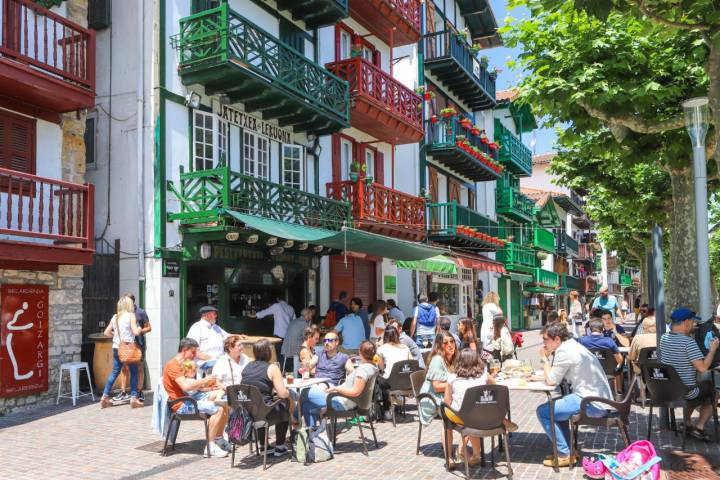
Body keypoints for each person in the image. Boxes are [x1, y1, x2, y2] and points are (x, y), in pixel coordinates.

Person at [531, 322, 613, 467]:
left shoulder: (564, 351)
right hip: (597, 398)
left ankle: (564, 454)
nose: (543, 343)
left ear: (556, 339)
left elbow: (551, 381)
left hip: (591, 402)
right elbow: (557, 375)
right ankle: (569, 451)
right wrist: (543, 375)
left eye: (545, 339)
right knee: (557, 411)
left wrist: (544, 359)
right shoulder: (571, 346)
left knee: (544, 412)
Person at [443, 348, 514, 467]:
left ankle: (453, 457)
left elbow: (447, 402)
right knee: (479, 408)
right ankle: (502, 420)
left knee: (454, 417)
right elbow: (496, 387)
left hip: (463, 418)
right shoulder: (483, 375)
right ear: (477, 361)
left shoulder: (452, 377)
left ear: (459, 361)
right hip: (484, 417)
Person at [659, 307, 720, 441]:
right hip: (685, 391)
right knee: (713, 391)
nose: (694, 325)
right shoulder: (688, 342)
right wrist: (712, 350)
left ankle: (686, 423)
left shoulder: (663, 338)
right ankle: (699, 427)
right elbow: (703, 368)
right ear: (686, 322)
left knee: (695, 386)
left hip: (666, 390)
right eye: (693, 322)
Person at [163, 338, 230, 457]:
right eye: (193, 352)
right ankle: (210, 447)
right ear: (184, 350)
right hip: (181, 405)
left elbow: (189, 387)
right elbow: (186, 386)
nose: (195, 356)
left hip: (188, 400)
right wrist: (204, 380)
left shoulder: (180, 364)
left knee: (224, 405)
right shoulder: (173, 366)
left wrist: (207, 385)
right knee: (218, 409)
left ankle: (218, 439)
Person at [300, 341, 379, 426]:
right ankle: (314, 434)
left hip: (341, 403)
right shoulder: (372, 367)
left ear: (360, 352)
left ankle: (295, 419)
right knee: (307, 406)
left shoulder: (363, 370)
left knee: (305, 392)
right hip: (341, 399)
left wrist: (336, 389)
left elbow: (356, 392)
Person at [241, 339, 292, 456]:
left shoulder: (247, 367)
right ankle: (279, 446)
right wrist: (288, 393)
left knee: (259, 405)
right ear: (269, 352)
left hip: (249, 412)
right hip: (266, 412)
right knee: (284, 405)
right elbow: (282, 394)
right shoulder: (272, 368)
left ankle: (264, 446)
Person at [418, 332, 458, 458]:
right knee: (452, 414)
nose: (450, 345)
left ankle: (465, 451)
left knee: (467, 407)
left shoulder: (452, 359)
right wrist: (455, 384)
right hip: (431, 398)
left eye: (452, 341)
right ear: (440, 346)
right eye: (446, 343)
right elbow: (436, 386)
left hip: (445, 395)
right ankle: (449, 457)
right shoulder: (437, 360)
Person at [100, 296, 144, 409]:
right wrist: (139, 329)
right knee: (134, 371)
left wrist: (115, 336)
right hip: (128, 348)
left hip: (116, 347)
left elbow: (106, 332)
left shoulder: (115, 316)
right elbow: (135, 332)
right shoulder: (131, 316)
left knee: (115, 372)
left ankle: (104, 398)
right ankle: (134, 399)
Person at [114, 293, 152, 402]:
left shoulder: (140, 312)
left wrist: (138, 332)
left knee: (139, 367)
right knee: (124, 368)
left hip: (138, 344)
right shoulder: (122, 313)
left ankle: (139, 392)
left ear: (132, 301)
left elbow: (149, 328)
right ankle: (123, 391)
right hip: (126, 345)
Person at [578, 318, 624, 392]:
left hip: (588, 371)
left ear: (590, 329)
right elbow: (619, 360)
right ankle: (618, 392)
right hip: (608, 372)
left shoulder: (582, 340)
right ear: (603, 329)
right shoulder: (609, 341)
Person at [376, 327, 412, 420]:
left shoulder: (382, 349)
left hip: (391, 382)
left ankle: (386, 409)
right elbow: (411, 363)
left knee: (380, 379)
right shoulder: (405, 348)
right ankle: (397, 398)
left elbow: (380, 367)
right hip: (405, 382)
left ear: (385, 336)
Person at [186, 305, 229, 371]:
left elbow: (228, 336)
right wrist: (212, 359)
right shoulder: (197, 327)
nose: (216, 316)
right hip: (204, 362)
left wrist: (241, 336)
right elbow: (193, 350)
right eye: (214, 314)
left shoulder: (216, 327)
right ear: (207, 315)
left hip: (219, 361)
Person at [255, 297, 296, 366]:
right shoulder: (291, 308)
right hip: (288, 336)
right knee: (286, 356)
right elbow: (294, 321)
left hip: (279, 336)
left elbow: (264, 312)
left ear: (277, 299)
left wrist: (255, 315)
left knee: (278, 356)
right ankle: (285, 371)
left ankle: (280, 372)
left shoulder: (276, 306)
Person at [281, 307, 313, 373]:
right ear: (306, 315)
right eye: (310, 315)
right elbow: (308, 339)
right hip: (294, 352)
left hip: (285, 350)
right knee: (310, 353)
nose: (311, 317)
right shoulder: (304, 324)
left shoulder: (293, 321)